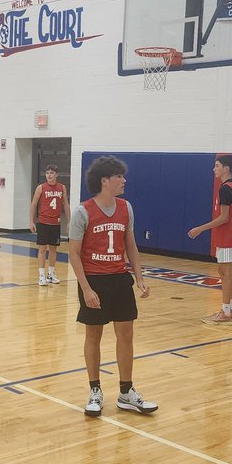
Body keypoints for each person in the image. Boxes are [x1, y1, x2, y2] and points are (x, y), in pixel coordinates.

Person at [69, 155, 157, 417]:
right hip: (94, 280)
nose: (124, 180)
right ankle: (95, 391)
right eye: (119, 176)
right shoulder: (82, 211)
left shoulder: (126, 208)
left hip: (120, 279)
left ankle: (126, 392)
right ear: (105, 180)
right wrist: (86, 288)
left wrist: (139, 276)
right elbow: (74, 254)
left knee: (126, 334)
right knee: (93, 336)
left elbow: (130, 244)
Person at [187, 154, 232, 323]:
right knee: (225, 272)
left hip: (227, 238)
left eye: (217, 166)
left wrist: (200, 229)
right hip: (230, 237)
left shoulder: (225, 189)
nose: (214, 169)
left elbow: (223, 217)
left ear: (226, 168)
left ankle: (225, 312)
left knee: (224, 273)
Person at [29, 164, 70, 287]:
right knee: (42, 249)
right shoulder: (41, 188)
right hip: (43, 222)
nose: (49, 175)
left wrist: (69, 221)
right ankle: (41, 275)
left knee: (53, 249)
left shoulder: (62, 188)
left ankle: (51, 274)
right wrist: (31, 221)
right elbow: (33, 204)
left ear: (56, 175)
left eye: (52, 173)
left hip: (55, 223)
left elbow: (66, 205)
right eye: (47, 173)